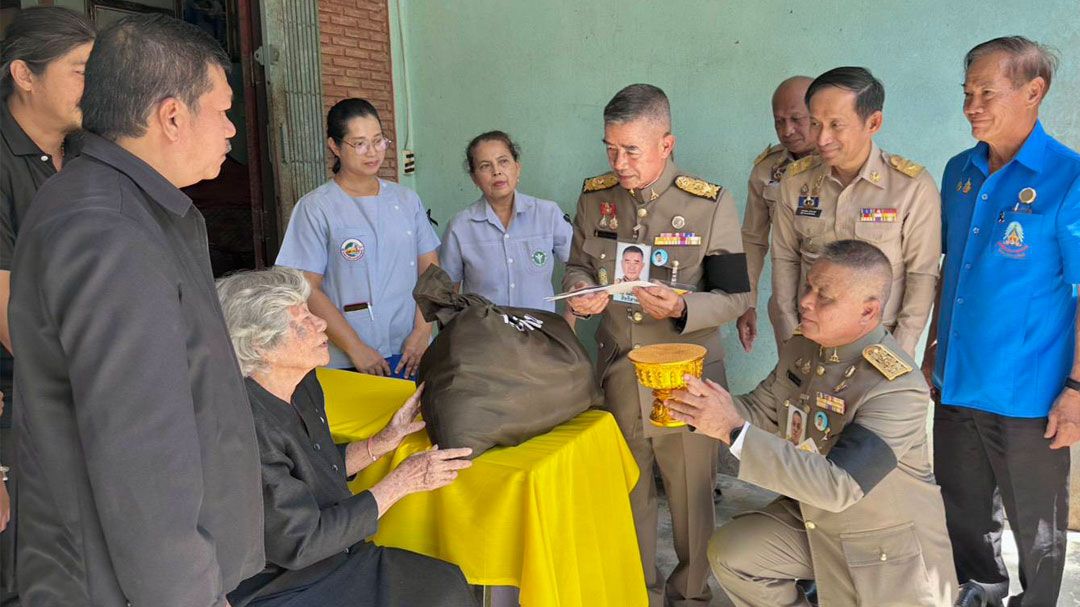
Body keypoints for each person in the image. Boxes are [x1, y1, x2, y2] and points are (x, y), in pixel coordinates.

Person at [9, 15, 263, 604]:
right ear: (171, 116)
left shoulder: (127, 208)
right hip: (121, 583)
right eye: (223, 111)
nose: (231, 129)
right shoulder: (108, 228)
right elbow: (141, 454)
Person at [668, 240, 957, 606]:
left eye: (825, 296)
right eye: (809, 286)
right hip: (812, 516)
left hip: (884, 545)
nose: (805, 301)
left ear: (868, 312)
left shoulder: (896, 387)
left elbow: (840, 485)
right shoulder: (802, 347)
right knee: (734, 553)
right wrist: (695, 406)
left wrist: (731, 429)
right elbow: (761, 410)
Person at [564, 83, 751, 607]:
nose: (618, 162)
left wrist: (683, 309)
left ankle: (689, 594)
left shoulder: (709, 203)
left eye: (631, 150)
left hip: (685, 376)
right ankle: (635, 588)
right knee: (629, 487)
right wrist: (580, 291)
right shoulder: (596, 195)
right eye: (610, 148)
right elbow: (579, 263)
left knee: (692, 492)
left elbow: (735, 296)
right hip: (619, 369)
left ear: (666, 144)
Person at [922, 37, 1080, 607]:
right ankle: (979, 594)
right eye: (967, 92)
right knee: (961, 510)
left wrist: (1078, 389)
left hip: (1029, 394)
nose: (971, 105)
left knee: (1036, 527)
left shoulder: (1069, 178)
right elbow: (950, 269)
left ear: (1034, 92)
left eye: (987, 92)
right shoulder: (958, 171)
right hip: (958, 380)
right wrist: (933, 345)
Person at [217, 267, 476, 607]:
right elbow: (301, 542)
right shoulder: (246, 427)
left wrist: (382, 442)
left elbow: (312, 469)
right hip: (284, 583)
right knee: (439, 596)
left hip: (338, 553)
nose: (321, 323)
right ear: (260, 347)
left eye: (310, 313)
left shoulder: (304, 385)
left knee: (447, 581)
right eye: (301, 323)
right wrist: (400, 482)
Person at [0, 9, 94, 600]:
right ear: (24, 75)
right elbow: (10, 316)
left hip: (85, 385)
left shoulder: (88, 155)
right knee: (27, 571)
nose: (97, 85)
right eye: (82, 70)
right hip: (26, 397)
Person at [771, 66, 941, 356]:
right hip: (810, 339)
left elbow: (922, 274)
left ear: (873, 123)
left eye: (836, 125)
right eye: (815, 124)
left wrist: (902, 348)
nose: (822, 138)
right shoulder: (796, 180)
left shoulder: (910, 187)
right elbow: (784, 258)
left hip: (879, 342)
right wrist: (790, 335)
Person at [277, 98, 439, 380]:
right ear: (335, 146)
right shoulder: (316, 207)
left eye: (378, 141)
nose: (373, 152)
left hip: (410, 351)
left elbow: (431, 271)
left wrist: (422, 332)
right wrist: (356, 348)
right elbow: (306, 288)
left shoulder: (405, 200)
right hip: (346, 359)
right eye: (360, 143)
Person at [439, 130, 571, 312]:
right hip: (485, 336)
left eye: (503, 162)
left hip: (540, 336)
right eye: (485, 166)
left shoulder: (548, 214)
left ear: (517, 168)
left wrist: (568, 328)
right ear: (474, 178)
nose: (497, 171)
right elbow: (449, 292)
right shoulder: (460, 227)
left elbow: (577, 269)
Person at [736, 75, 815, 353]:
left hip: (836, 305)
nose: (787, 130)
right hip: (785, 305)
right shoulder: (766, 169)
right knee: (791, 381)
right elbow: (752, 240)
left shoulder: (840, 166)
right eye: (779, 121)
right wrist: (747, 301)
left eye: (797, 119)